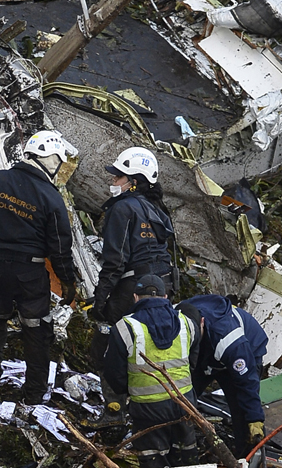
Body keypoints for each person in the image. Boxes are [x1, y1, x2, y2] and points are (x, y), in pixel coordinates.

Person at [0, 130, 79, 404]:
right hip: (30, 274)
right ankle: (34, 394)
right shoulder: (51, 197)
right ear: (51, 159)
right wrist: (68, 282)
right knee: (37, 331)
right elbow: (60, 248)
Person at [89, 147, 177, 412]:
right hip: (163, 284)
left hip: (132, 286)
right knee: (149, 344)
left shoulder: (123, 209)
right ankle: (149, 404)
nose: (112, 182)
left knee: (108, 343)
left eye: (118, 177)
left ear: (134, 182)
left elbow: (114, 261)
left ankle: (114, 410)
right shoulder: (157, 210)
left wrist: (101, 299)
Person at [102, 274, 198, 468]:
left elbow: (113, 373)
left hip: (147, 409)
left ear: (135, 297)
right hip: (184, 404)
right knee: (186, 458)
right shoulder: (187, 323)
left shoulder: (125, 328)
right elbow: (194, 360)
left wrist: (130, 391)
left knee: (153, 458)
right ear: (165, 297)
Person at [177, 294, 269, 458]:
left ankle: (245, 456)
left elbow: (247, 383)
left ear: (202, 324)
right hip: (206, 356)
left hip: (245, 350)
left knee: (242, 412)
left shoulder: (230, 341)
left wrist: (255, 418)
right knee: (183, 399)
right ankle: (179, 445)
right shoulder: (175, 320)